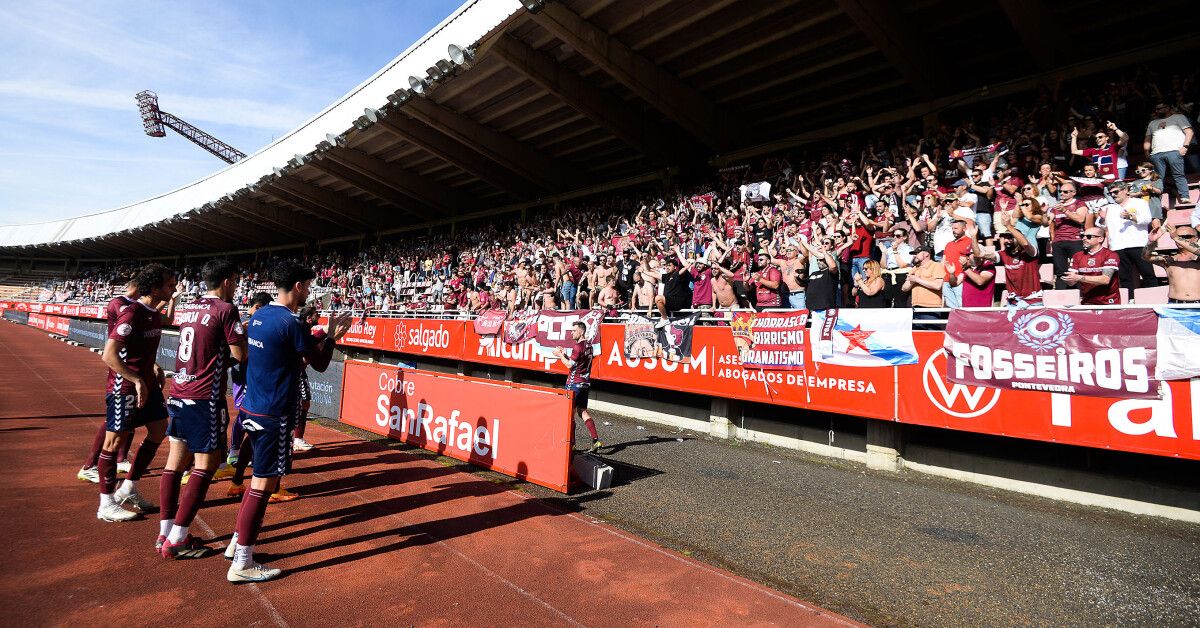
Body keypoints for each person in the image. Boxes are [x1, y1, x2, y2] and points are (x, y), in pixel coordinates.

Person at [223, 261, 352, 583]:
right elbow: (320, 363)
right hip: (274, 412)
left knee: (256, 482)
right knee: (262, 486)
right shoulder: (291, 322)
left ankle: (238, 542)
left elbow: (289, 356)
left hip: (252, 405)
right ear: (298, 286)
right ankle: (242, 561)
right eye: (308, 286)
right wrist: (333, 336)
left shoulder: (260, 314)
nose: (309, 292)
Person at [158, 260, 247, 558]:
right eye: (234, 280)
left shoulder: (190, 307)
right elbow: (240, 353)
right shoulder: (225, 309)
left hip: (180, 390)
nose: (236, 286)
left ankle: (165, 531)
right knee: (206, 466)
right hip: (204, 397)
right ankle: (179, 538)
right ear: (225, 282)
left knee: (174, 464)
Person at [96, 264, 177, 522]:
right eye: (169, 285)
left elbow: (154, 333)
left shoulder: (152, 311)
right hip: (125, 386)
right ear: (154, 288)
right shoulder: (132, 314)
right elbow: (108, 355)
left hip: (147, 383)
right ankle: (106, 503)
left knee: (159, 429)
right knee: (113, 442)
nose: (173, 289)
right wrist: (136, 379)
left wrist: (153, 367)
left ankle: (128, 488)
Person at [78, 280, 138, 484]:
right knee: (114, 420)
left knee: (131, 418)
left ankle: (120, 459)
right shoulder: (120, 303)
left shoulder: (135, 306)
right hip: (122, 370)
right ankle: (89, 465)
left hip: (134, 366)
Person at [553, 321, 601, 453]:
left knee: (570, 414)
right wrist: (566, 355)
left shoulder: (578, 346)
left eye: (574, 330)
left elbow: (569, 366)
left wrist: (560, 355)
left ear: (581, 331)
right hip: (585, 384)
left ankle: (572, 445)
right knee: (583, 412)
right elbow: (577, 362)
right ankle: (596, 440)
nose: (571, 333)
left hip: (574, 384)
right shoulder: (589, 346)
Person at [1100, 181, 1156, 291]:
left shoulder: (1139, 202)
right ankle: (1129, 300)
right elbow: (1101, 225)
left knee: (1147, 274)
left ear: (1125, 190)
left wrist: (1131, 217)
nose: (1114, 195)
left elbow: (1147, 219)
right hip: (1118, 246)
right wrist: (1102, 218)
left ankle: (1153, 299)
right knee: (1124, 277)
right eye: (1111, 193)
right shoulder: (1110, 208)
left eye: (1116, 192)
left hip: (1138, 244)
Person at [1143, 103, 1194, 208]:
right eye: (1157, 108)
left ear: (1168, 108)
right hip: (1156, 153)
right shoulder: (1152, 122)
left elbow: (1189, 131)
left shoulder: (1178, 117)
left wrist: (1185, 146)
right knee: (1157, 178)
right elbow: (1148, 138)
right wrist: (1146, 151)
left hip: (1174, 150)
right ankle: (1157, 199)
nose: (1158, 110)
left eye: (1161, 108)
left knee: (1178, 174)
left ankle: (1184, 196)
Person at [1062, 228, 1121, 305]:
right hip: (1088, 302)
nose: (1084, 238)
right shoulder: (1077, 255)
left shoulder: (1111, 254)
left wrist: (1079, 277)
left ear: (1100, 239)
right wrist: (1068, 279)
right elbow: (1071, 283)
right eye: (1083, 236)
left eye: (1089, 236)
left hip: (1109, 302)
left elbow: (1105, 280)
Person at [1144, 223, 1200, 303]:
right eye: (1179, 236)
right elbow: (1146, 257)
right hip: (1174, 307)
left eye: (1186, 237)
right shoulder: (1169, 259)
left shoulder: (1198, 258)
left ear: (1196, 239)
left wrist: (1175, 237)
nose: (1181, 239)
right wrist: (1151, 242)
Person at [1049, 181, 1087, 288]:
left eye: (1065, 192)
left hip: (1074, 240)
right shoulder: (1056, 207)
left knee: (1078, 269)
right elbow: (1047, 221)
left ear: (1073, 193)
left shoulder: (1079, 203)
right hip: (1058, 242)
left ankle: (1081, 295)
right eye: (1060, 191)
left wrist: (1065, 210)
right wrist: (1042, 213)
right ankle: (1062, 296)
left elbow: (1081, 219)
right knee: (1060, 271)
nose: (1062, 193)